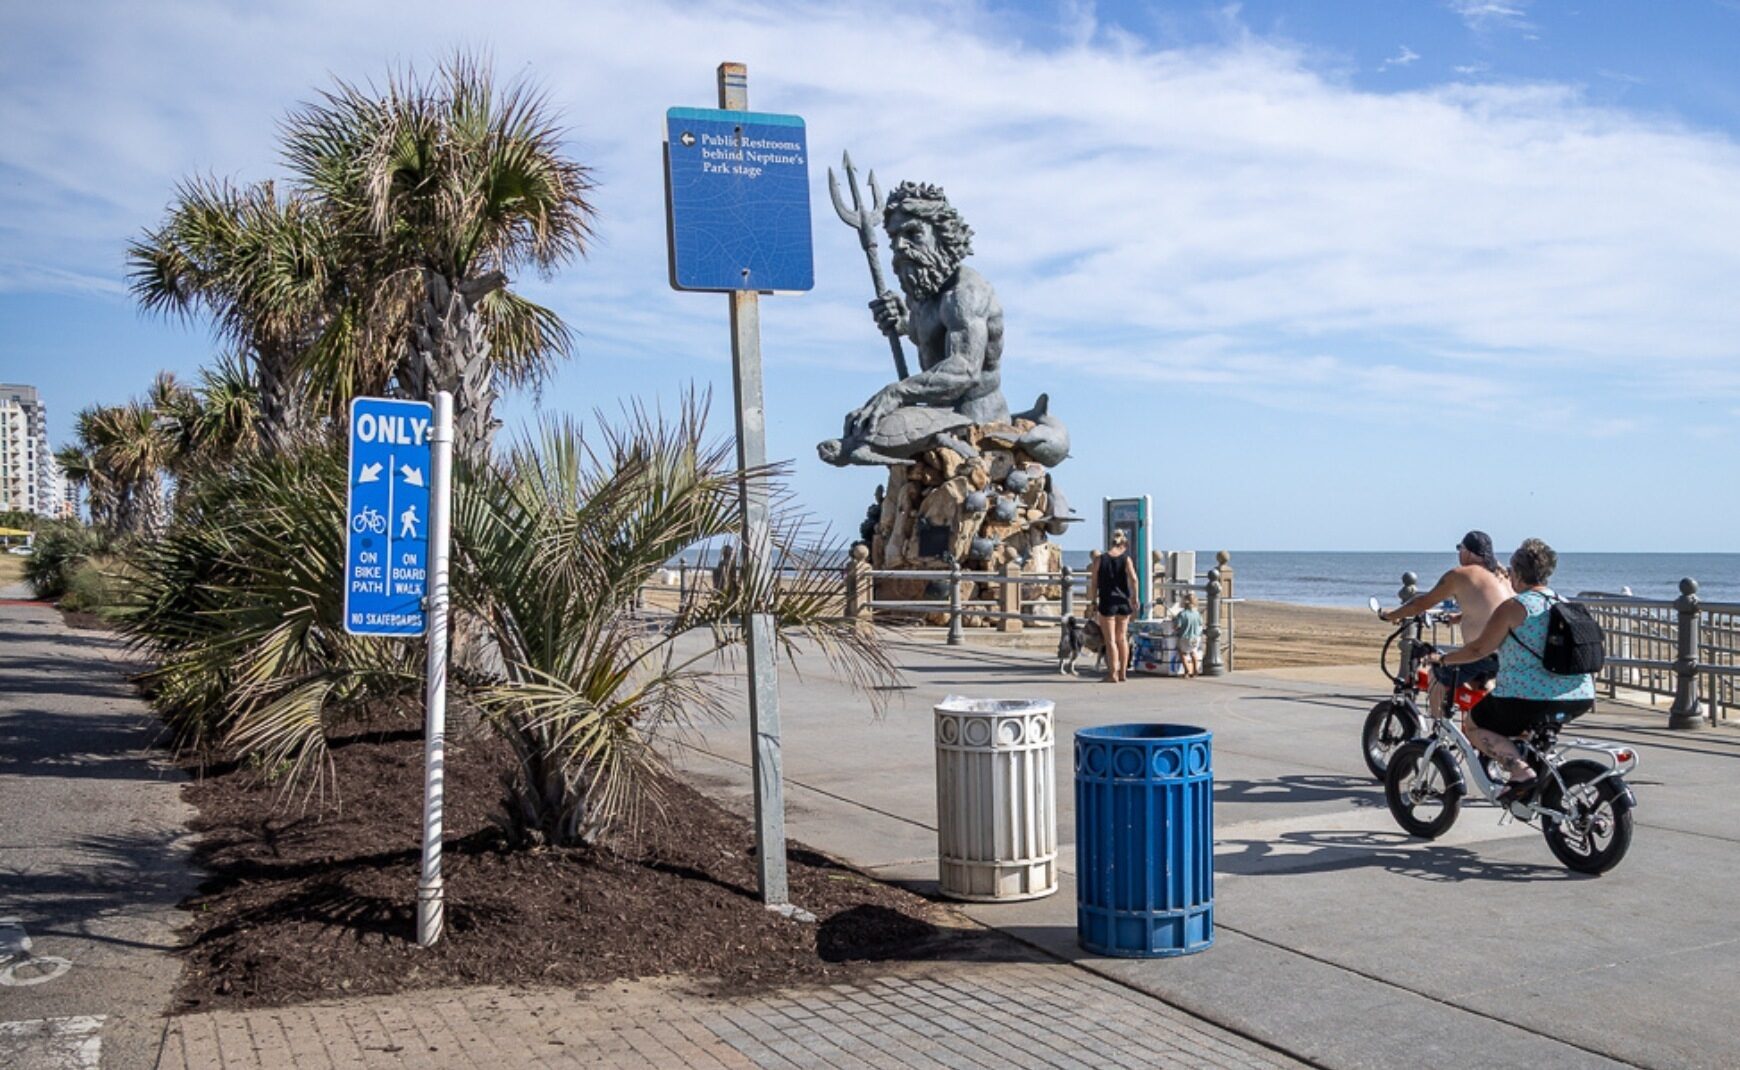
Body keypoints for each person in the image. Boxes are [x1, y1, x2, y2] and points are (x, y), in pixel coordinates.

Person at [1431, 538, 1595, 800]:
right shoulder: (1563, 603)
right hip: (1579, 696)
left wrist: (1442, 660)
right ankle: (1536, 788)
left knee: (1473, 724)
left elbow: (1478, 650)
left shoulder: (1513, 607)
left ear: (1516, 573)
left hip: (1527, 697)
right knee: (1528, 734)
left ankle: (1519, 771)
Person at [1380, 530, 1513, 717]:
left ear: (1468, 552)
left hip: (1481, 653)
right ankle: (1478, 727)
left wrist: (1391, 615)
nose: (1459, 553)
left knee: (1438, 670)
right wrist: (1459, 617)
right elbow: (1494, 608)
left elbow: (1421, 603)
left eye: (1460, 548)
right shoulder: (1501, 574)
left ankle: (1438, 731)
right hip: (1508, 654)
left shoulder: (1461, 574)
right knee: (1480, 683)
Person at [1087, 531, 1140, 682]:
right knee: (1122, 639)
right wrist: (1135, 597)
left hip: (1107, 602)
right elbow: (1134, 579)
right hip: (1123, 602)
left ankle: (1113, 674)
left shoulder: (1100, 559)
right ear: (1123, 545)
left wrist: (1093, 600)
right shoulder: (1126, 559)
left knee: (1110, 640)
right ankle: (1123, 672)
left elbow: (1094, 582)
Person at [1173, 592, 1205, 678]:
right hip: (1195, 637)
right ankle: (1195, 670)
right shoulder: (1197, 614)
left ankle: (1186, 671)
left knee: (1183, 653)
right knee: (1193, 652)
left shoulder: (1182, 614)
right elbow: (1201, 624)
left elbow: (1177, 626)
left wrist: (1175, 627)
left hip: (1185, 636)